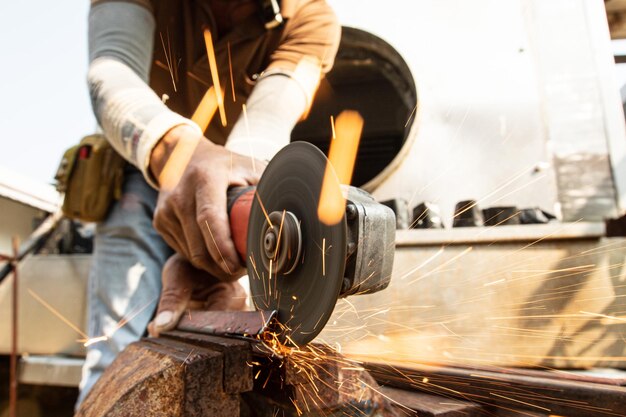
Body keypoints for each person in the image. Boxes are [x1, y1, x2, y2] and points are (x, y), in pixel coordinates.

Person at [78, 0, 340, 406]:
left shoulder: (310, 18)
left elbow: (264, 128)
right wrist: (177, 151)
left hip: (225, 179)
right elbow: (111, 74)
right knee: (114, 344)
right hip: (139, 166)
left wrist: (227, 221)